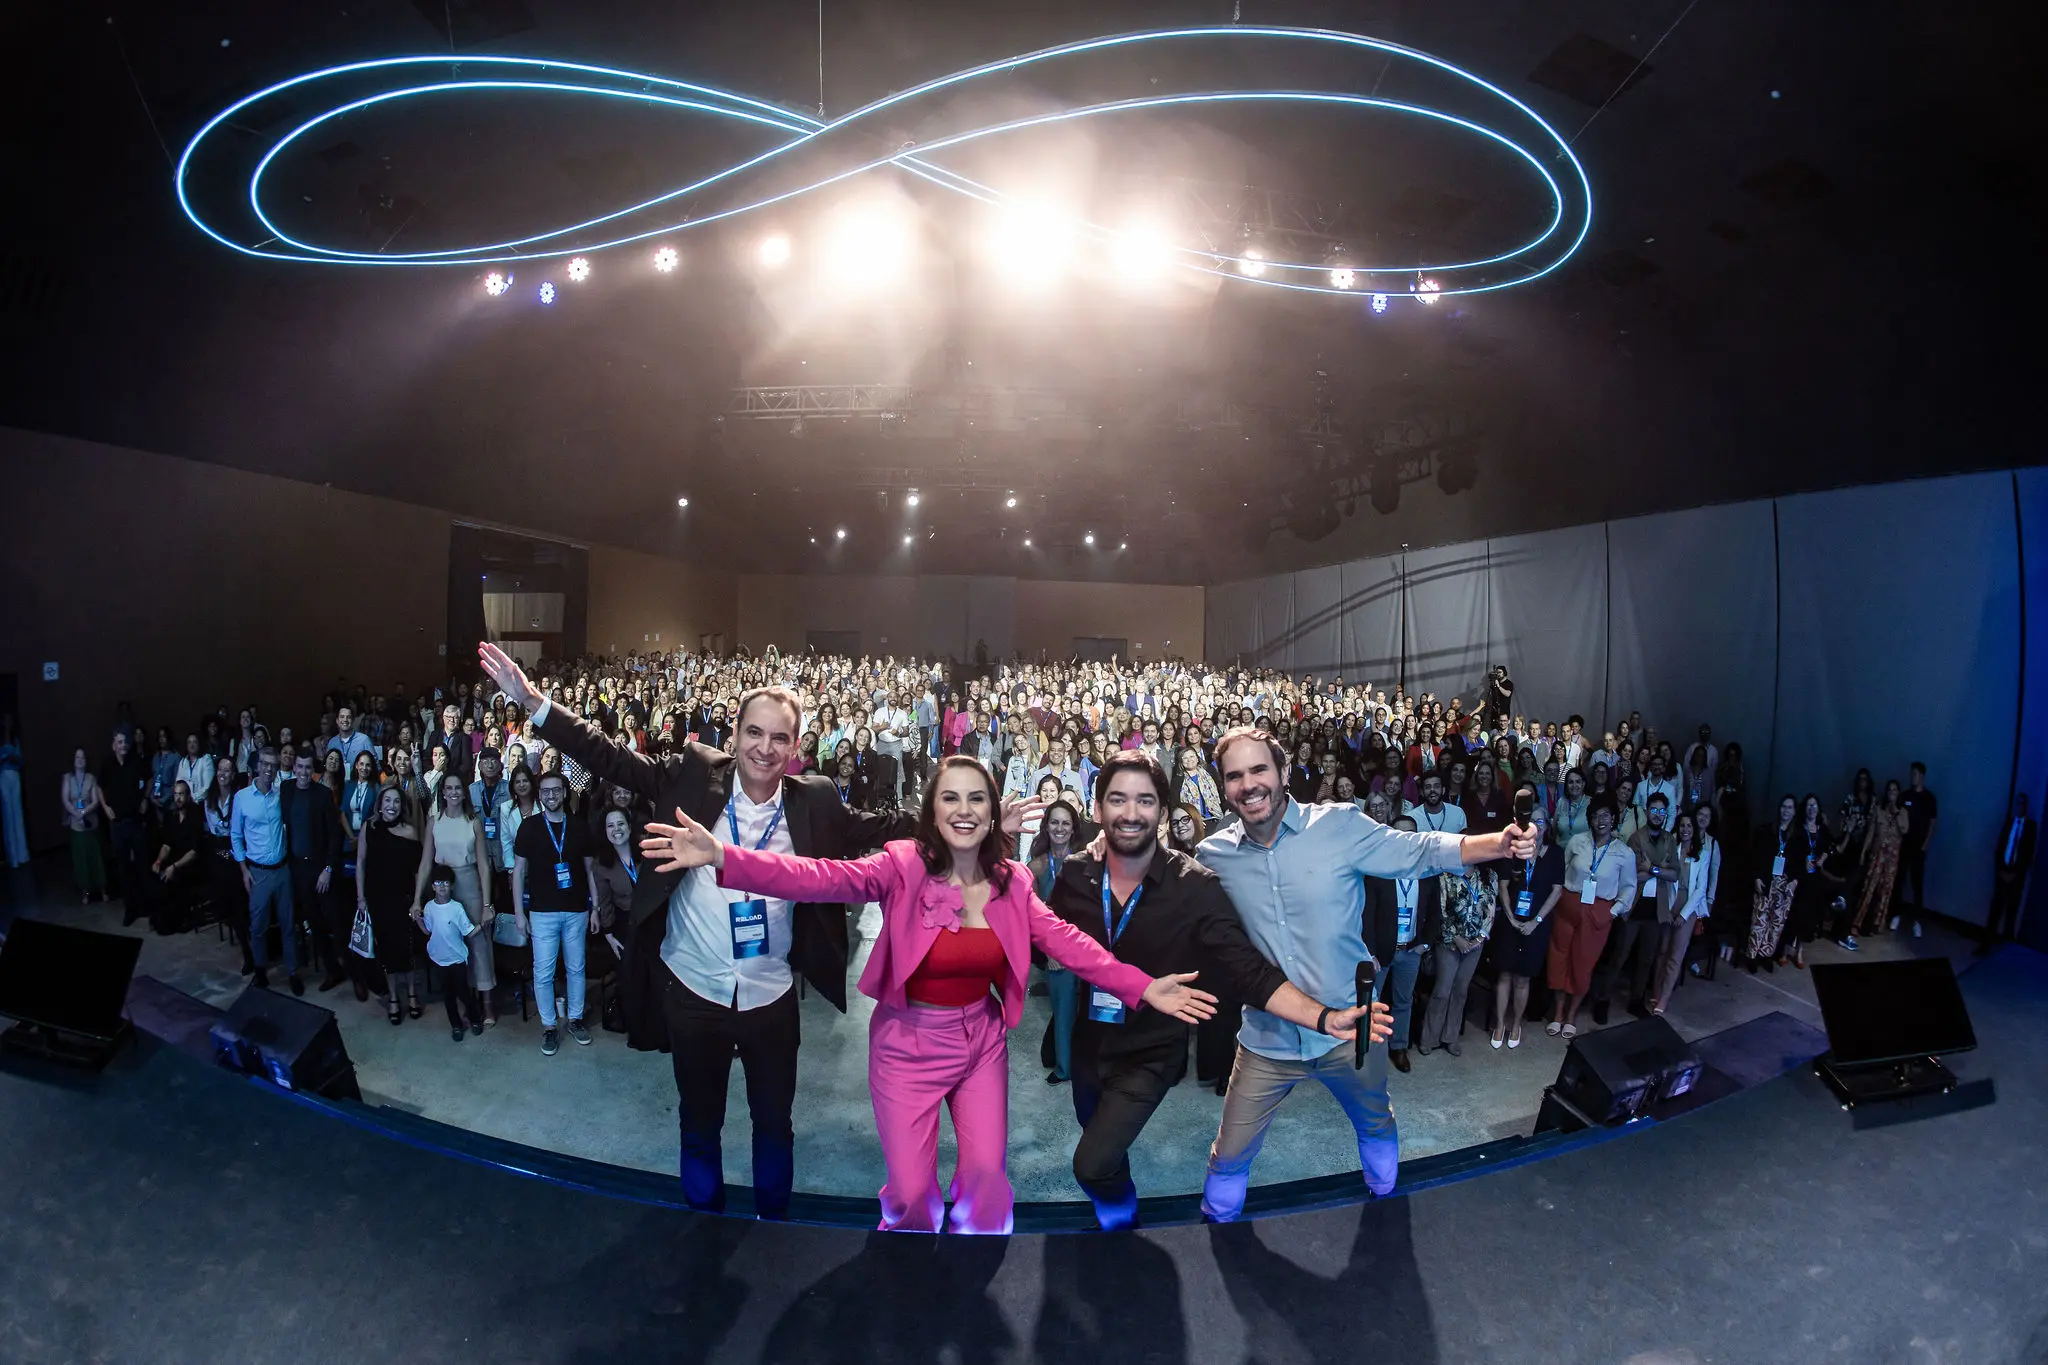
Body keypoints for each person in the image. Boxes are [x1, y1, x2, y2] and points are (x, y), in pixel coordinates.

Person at [643, 754, 1215, 1234]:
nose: (964, 810)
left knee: (987, 1181)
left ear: (992, 811)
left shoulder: (1012, 881)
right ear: (932, 811)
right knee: (914, 1197)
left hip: (981, 1042)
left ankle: (975, 1262)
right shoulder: (901, 865)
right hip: (906, 1045)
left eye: (976, 799)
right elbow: (819, 877)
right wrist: (723, 856)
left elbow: (1068, 942)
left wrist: (1143, 986)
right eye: (951, 798)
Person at [480, 642, 931, 1221]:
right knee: (699, 1124)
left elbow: (885, 825)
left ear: (796, 747)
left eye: (779, 738)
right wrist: (534, 703)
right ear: (734, 734)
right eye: (754, 733)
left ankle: (773, 1225)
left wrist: (973, 819)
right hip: (693, 990)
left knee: (775, 1127)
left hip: (771, 994)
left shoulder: (814, 801)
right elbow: (609, 756)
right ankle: (704, 1226)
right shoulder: (694, 776)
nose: (765, 748)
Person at [1194, 726, 1536, 1217]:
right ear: (1224, 786)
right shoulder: (1214, 856)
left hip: (1353, 1028)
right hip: (1268, 1038)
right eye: (1234, 776)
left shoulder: (1337, 825)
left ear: (1284, 772)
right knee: (1228, 1155)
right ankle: (1218, 1225)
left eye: (1259, 770)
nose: (1249, 785)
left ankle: (1386, 1210)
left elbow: (1417, 850)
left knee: (1375, 1123)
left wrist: (1497, 843)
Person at [1048, 752, 1386, 1228]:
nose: (1130, 813)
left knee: (1091, 1164)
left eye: (1145, 801)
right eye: (1117, 800)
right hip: (1088, 1044)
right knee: (1104, 1149)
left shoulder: (1193, 886)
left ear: (1164, 812)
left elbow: (1248, 970)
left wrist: (1324, 1017)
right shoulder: (1076, 874)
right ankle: (1118, 1215)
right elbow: (1046, 937)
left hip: (1150, 1051)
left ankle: (1120, 1219)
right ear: (1098, 808)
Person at [511, 771, 599, 1055]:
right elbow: (518, 872)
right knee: (543, 972)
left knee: (576, 968)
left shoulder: (580, 826)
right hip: (542, 912)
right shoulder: (529, 827)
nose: (551, 795)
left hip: (576, 910)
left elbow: (590, 870)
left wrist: (595, 907)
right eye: (546, 791)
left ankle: (575, 1019)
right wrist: (519, 913)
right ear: (540, 795)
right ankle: (549, 1026)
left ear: (564, 793)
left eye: (556, 790)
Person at [1546, 794, 1636, 1037]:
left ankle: (1571, 1015)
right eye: (1595, 816)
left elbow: (1629, 888)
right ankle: (1557, 1014)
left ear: (1614, 818)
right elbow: (1561, 872)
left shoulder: (1624, 853)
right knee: (1558, 958)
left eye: (1606, 815)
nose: (1601, 821)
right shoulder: (1577, 842)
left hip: (1598, 912)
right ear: (1590, 820)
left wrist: (1612, 913)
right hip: (1568, 906)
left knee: (1582, 964)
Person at [414, 771, 497, 1023]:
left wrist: (487, 904)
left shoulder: (473, 822)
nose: (453, 792)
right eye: (448, 788)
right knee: (452, 944)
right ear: (442, 792)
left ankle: (487, 1004)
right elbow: (425, 863)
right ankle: (467, 1002)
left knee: (479, 943)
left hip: (469, 884)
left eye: (457, 788)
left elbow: (484, 865)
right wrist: (417, 899)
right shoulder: (434, 821)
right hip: (442, 886)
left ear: (464, 792)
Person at [1593, 791, 1676, 1023]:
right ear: (1647, 811)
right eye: (1653, 810)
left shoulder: (1670, 840)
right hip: (1634, 907)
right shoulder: (1636, 838)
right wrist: (1659, 869)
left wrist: (1652, 868)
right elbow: (1632, 875)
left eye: (1662, 811)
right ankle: (1602, 1001)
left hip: (1656, 909)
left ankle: (1636, 1001)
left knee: (1647, 959)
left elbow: (1674, 874)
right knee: (1619, 956)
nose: (1657, 815)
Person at [1489, 803, 1562, 1048]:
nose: (1536, 826)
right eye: (1532, 821)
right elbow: (1502, 885)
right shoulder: (1511, 849)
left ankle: (1516, 1024)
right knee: (1504, 975)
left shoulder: (1555, 853)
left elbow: (1556, 891)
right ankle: (1500, 1024)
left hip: (1537, 924)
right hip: (1510, 922)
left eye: (1541, 822)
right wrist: (1510, 918)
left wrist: (1536, 921)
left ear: (1547, 826)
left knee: (1523, 978)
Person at [231, 747, 300, 993]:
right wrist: (243, 870)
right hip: (257, 872)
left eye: (273, 765)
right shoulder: (242, 798)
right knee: (258, 927)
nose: (269, 769)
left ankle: (293, 972)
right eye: (265, 764)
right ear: (257, 766)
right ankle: (260, 971)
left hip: (282, 870)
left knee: (288, 925)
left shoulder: (281, 795)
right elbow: (235, 836)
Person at [280, 753, 351, 996]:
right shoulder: (286, 789)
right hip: (298, 868)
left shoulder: (322, 794)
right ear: (294, 767)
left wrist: (328, 869)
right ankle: (333, 970)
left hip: (322, 869)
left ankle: (356, 975)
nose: (302, 772)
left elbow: (335, 835)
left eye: (307, 767)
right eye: (299, 766)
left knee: (337, 923)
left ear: (313, 770)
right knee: (314, 922)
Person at [1027, 796, 1084, 1088]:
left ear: (1073, 828)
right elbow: (1033, 917)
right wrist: (1049, 952)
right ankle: (1065, 1067)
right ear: (1046, 827)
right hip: (1057, 953)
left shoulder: (1086, 860)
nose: (1060, 828)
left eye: (1065, 823)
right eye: (1054, 822)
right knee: (1062, 1011)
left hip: (1087, 945)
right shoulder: (1036, 867)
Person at [357, 784, 424, 1023]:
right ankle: (394, 997)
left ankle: (412, 995)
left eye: (396, 801)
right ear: (380, 804)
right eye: (387, 801)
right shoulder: (369, 828)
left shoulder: (410, 832)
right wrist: (361, 898)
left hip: (404, 900)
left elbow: (418, 871)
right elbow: (361, 863)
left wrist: (417, 901)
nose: (391, 806)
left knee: (407, 951)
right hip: (377, 899)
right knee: (386, 952)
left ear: (402, 806)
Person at [1418, 861, 1498, 1056]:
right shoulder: (1445, 875)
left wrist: (1479, 938)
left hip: (1475, 944)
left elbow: (1491, 909)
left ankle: (1451, 1037)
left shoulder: (1489, 876)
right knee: (1442, 991)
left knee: (1461, 991)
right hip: (1449, 942)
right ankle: (1429, 1038)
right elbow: (1441, 911)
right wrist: (1456, 937)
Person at [415, 864, 486, 1041]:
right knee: (448, 996)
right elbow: (427, 930)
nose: (442, 886)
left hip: (457, 959)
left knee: (464, 993)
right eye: (438, 883)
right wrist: (418, 920)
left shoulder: (457, 908)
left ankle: (475, 1019)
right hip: (438, 959)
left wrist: (483, 924)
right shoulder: (429, 907)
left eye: (446, 883)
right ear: (433, 886)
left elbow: (468, 931)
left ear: (452, 886)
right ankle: (456, 1026)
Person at [97, 729, 151, 911]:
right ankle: (130, 908)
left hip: (135, 822)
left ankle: (146, 905)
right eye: (119, 742)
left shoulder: (136, 762)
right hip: (118, 825)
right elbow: (99, 787)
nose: (123, 745)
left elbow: (150, 779)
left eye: (125, 742)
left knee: (142, 864)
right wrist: (105, 807)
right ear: (113, 745)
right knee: (123, 867)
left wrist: (145, 798)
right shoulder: (107, 764)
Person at [1747, 795, 1800, 973]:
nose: (1786, 810)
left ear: (1794, 811)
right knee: (1759, 921)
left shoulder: (1797, 835)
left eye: (1790, 807)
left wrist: (1795, 881)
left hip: (1784, 885)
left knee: (1775, 924)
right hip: (1766, 881)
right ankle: (1752, 956)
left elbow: (1800, 863)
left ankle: (1766, 955)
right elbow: (1756, 856)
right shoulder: (1767, 831)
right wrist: (1757, 877)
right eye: (1784, 806)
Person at [1983, 793, 2037, 954]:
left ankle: (2006, 948)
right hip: (2002, 873)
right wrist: (2001, 870)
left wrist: (2015, 873)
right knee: (1995, 910)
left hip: (2016, 877)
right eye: (2016, 804)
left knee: (2011, 911)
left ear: (2025, 806)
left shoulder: (2031, 827)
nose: (2018, 807)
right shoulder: (2008, 823)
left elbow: (2028, 854)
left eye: (2021, 804)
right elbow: (2000, 847)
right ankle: (1986, 944)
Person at [1893, 762, 1938, 938]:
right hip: (1904, 846)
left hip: (1918, 848)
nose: (1912, 777)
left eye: (1915, 774)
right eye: (1911, 773)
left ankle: (1917, 921)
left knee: (1917, 884)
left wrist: (1925, 845)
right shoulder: (1905, 796)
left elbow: (1932, 823)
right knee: (1899, 880)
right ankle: (1896, 914)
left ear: (1922, 776)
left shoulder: (1929, 798)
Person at [61, 748, 106, 904]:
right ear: (73, 760)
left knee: (96, 858)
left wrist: (83, 812)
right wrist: (75, 813)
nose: (80, 760)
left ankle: (102, 889)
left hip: (90, 823)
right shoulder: (68, 778)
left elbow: (95, 800)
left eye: (83, 757)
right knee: (81, 859)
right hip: (76, 825)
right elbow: (65, 799)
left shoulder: (90, 778)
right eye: (77, 757)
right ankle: (85, 891)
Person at [0, 714, 26, 869]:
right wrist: (5, 758)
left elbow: (20, 760)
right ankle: (13, 858)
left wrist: (12, 758)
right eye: (5, 720)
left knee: (17, 813)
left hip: (15, 775)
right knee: (8, 814)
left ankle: (22, 855)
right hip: (3, 776)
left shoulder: (15, 740)